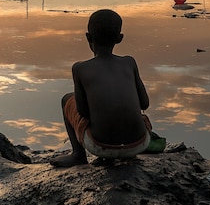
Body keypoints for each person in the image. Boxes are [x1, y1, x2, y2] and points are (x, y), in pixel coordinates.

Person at [50, 9, 151, 167]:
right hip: (139, 144)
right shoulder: (129, 62)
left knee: (66, 99)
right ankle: (124, 154)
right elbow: (144, 103)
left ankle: (78, 155)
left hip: (100, 146)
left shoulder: (80, 68)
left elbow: (83, 112)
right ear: (120, 38)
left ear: (88, 37)